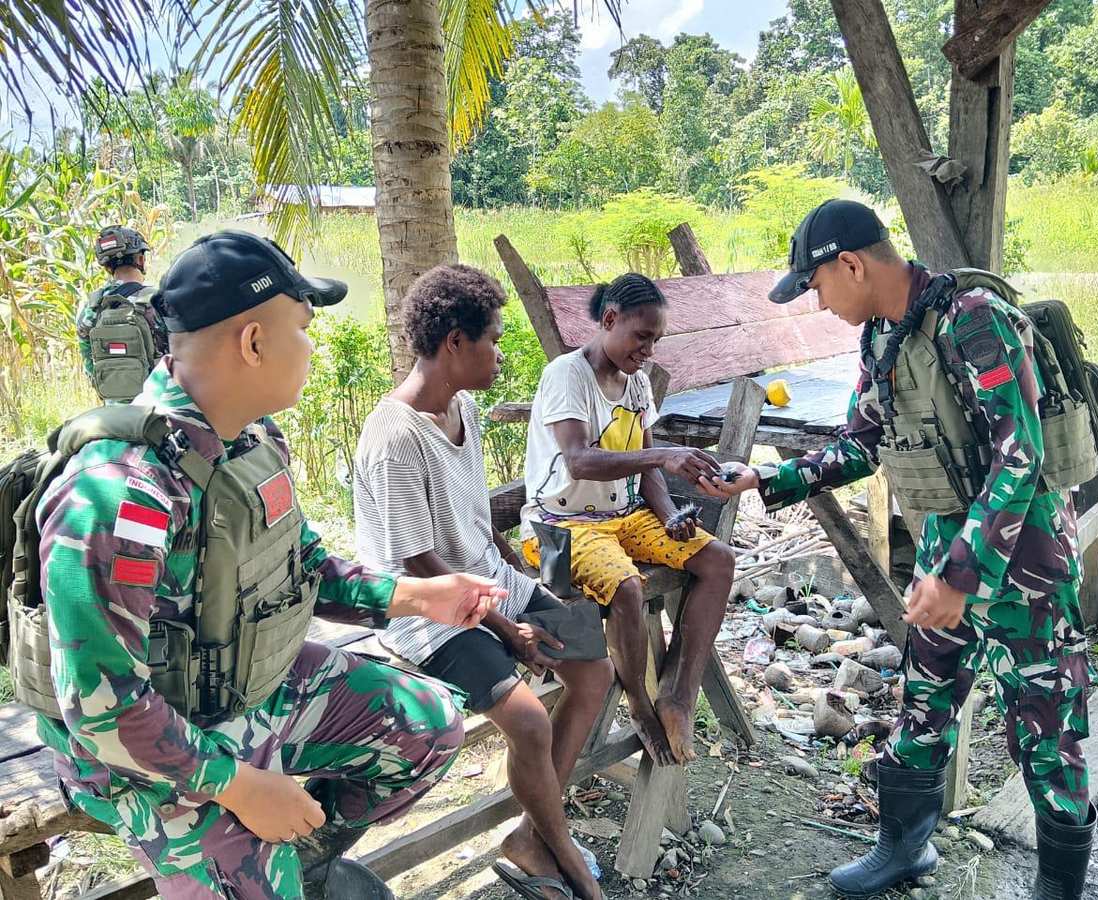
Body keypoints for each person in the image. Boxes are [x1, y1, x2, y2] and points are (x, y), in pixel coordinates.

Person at [32, 231, 504, 900]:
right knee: (253, 868)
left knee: (427, 727)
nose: (312, 347)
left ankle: (297, 865)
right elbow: (102, 711)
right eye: (304, 328)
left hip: (238, 684)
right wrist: (244, 789)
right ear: (253, 343)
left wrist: (416, 597)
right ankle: (262, 870)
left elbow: (302, 567)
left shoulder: (252, 439)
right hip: (138, 748)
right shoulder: (119, 492)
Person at [702, 200, 1095, 900]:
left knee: (1046, 727)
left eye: (817, 285)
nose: (818, 302)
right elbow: (863, 441)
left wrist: (964, 579)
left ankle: (1058, 889)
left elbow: (1020, 455)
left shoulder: (977, 318)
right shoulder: (883, 336)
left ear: (850, 263)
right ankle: (903, 850)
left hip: (1025, 561)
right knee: (924, 707)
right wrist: (769, 475)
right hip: (946, 558)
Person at [353, 264, 615, 900]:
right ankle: (568, 862)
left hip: (491, 586)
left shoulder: (462, 407)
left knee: (593, 667)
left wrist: (523, 585)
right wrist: (510, 628)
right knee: (527, 722)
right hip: (426, 613)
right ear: (453, 344)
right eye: (493, 340)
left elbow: (472, 523)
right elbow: (419, 563)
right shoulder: (393, 437)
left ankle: (534, 837)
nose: (500, 355)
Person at [520, 272, 736, 767]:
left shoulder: (636, 383)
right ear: (610, 320)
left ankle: (678, 696)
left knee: (717, 561)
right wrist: (662, 457)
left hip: (623, 516)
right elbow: (577, 461)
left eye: (656, 340)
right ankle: (638, 701)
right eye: (642, 336)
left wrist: (670, 512)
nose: (649, 351)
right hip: (558, 528)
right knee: (629, 588)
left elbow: (644, 462)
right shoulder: (566, 375)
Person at [76, 225, 169, 403]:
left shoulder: (92, 307)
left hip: (113, 415)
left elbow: (89, 365)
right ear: (141, 260)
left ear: (107, 268)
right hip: (159, 412)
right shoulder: (159, 301)